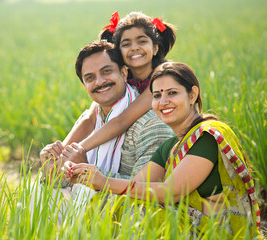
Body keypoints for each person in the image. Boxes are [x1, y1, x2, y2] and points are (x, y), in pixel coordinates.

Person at [64, 62, 261, 238]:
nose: (163, 101)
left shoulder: (206, 137)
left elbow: (170, 193)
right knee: (110, 202)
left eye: (172, 93)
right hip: (185, 226)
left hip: (215, 232)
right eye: (157, 95)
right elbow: (135, 185)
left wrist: (104, 181)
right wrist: (88, 178)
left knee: (140, 214)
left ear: (192, 95)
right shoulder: (170, 146)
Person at [38, 40, 173, 225]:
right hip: (101, 205)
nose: (100, 82)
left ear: (124, 73)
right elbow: (63, 185)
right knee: (38, 191)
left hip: (136, 217)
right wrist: (51, 169)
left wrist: (86, 172)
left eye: (106, 71)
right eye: (90, 78)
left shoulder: (150, 125)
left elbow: (148, 192)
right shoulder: (91, 118)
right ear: (84, 86)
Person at [42, 11, 176, 172]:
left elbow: (122, 121)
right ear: (119, 53)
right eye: (126, 44)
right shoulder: (122, 77)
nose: (134, 48)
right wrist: (61, 152)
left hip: (170, 141)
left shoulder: (162, 77)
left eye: (142, 41)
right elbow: (90, 118)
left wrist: (80, 149)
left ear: (155, 48)